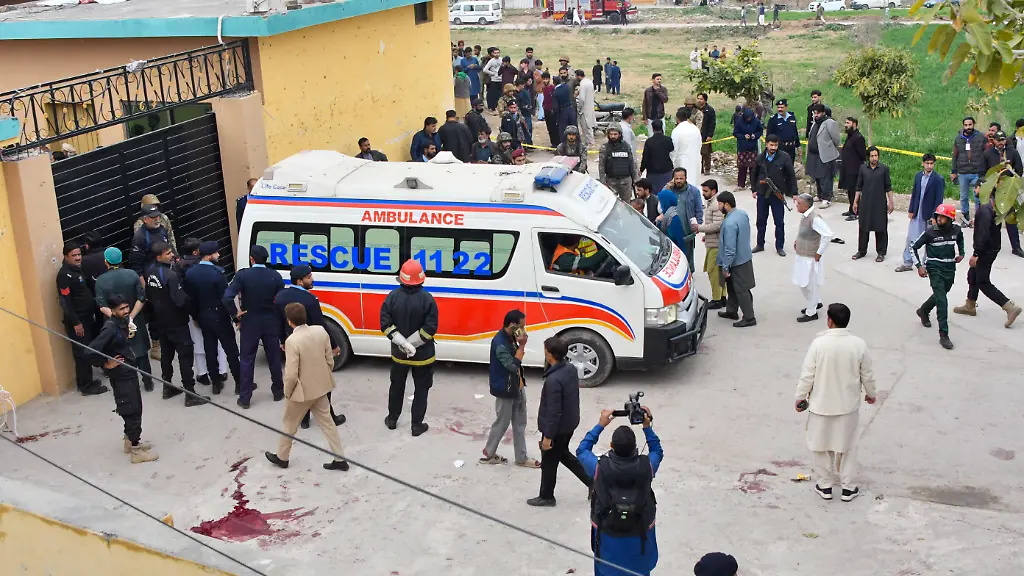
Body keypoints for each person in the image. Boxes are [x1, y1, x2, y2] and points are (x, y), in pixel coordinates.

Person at [795, 303, 876, 502]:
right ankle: (848, 488)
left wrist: (800, 397)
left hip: (821, 406)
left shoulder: (819, 344)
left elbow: (807, 375)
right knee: (847, 447)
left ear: (829, 321)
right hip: (847, 407)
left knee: (820, 446)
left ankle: (825, 486)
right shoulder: (858, 344)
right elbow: (867, 374)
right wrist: (871, 394)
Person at [576, 407, 662, 576]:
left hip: (608, 531)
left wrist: (600, 425)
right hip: (640, 531)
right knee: (639, 568)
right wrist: (647, 426)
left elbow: (582, 450)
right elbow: (657, 451)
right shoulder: (647, 466)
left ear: (612, 446)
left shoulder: (600, 467)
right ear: (634, 447)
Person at [264, 302, 350, 472]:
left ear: (289, 321)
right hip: (321, 387)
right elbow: (329, 359)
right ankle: (340, 458)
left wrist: (288, 392)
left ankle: (282, 457)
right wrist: (325, 376)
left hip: (302, 392)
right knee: (328, 423)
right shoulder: (320, 331)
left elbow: (291, 374)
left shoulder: (292, 341)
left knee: (289, 424)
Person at [88, 294, 158, 464]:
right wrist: (106, 364)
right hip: (121, 375)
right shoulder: (110, 328)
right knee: (131, 408)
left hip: (128, 369)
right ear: (112, 311)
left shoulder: (122, 322)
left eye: (127, 307)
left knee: (133, 406)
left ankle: (130, 441)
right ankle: (136, 450)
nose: (126, 311)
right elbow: (89, 351)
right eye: (122, 309)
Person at [274, 264, 346, 429]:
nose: (312, 279)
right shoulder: (310, 300)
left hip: (292, 343)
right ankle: (330, 416)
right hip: (312, 347)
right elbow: (321, 326)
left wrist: (283, 341)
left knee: (301, 380)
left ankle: (304, 419)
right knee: (322, 381)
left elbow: (277, 322)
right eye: (309, 277)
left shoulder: (280, 297)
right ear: (300, 281)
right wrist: (334, 346)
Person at [528, 336, 590, 507]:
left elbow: (554, 411)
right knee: (563, 454)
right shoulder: (569, 368)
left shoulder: (553, 380)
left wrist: (547, 436)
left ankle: (547, 496)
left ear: (551, 355)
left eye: (546, 352)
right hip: (569, 423)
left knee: (548, 462)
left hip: (557, 428)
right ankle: (593, 483)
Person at [144, 241, 208, 406]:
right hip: (176, 322)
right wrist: (193, 311)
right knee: (185, 356)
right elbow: (180, 301)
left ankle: (167, 386)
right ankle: (190, 393)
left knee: (167, 354)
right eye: (168, 253)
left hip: (161, 320)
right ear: (159, 256)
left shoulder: (150, 271)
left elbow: (149, 295)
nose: (172, 255)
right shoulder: (170, 276)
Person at [381, 260, 438, 437]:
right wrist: (411, 345)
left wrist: (403, 344)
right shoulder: (427, 299)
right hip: (423, 356)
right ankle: (416, 425)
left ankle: (392, 419)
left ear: (402, 279)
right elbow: (430, 328)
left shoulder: (392, 297)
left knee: (396, 386)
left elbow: (385, 324)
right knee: (421, 389)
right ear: (421, 279)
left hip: (399, 355)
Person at [223, 245, 285, 408]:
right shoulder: (275, 276)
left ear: (252, 259)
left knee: (247, 360)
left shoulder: (243, 275)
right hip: (270, 321)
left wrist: (236, 314)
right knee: (274, 357)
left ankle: (245, 398)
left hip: (250, 321)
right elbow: (280, 300)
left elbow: (227, 298)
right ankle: (278, 391)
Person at [480, 309, 540, 468]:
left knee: (520, 423)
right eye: (522, 326)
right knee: (502, 423)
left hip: (517, 386)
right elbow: (513, 366)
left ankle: (521, 458)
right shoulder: (500, 343)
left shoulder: (511, 337)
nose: (523, 330)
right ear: (513, 325)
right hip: (505, 390)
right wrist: (521, 346)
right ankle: (489, 452)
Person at [953, 193, 1022, 327]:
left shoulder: (985, 209)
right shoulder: (994, 207)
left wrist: (976, 253)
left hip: (984, 251)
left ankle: (1009, 307)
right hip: (992, 248)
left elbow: (983, 234)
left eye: (977, 187)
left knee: (983, 281)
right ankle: (970, 305)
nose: (976, 190)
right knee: (972, 274)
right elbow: (988, 226)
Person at [183, 241, 241, 395]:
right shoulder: (217, 273)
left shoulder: (190, 273)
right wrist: (235, 317)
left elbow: (191, 299)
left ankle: (215, 383)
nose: (219, 255)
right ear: (209, 256)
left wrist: (195, 316)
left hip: (203, 315)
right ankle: (239, 383)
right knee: (231, 350)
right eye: (216, 253)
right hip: (219, 315)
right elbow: (226, 298)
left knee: (210, 349)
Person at [94, 247, 154, 392]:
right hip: (135, 319)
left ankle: (128, 384)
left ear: (106, 262)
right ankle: (148, 381)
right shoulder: (132, 275)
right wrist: (130, 317)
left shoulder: (101, 281)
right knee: (140, 350)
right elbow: (141, 298)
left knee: (119, 352)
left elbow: (102, 306)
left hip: (114, 323)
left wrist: (118, 317)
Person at [912, 204, 966, 350]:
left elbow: (960, 239)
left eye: (943, 217)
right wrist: (919, 266)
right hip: (934, 268)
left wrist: (961, 253)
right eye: (938, 216)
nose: (939, 219)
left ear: (950, 219)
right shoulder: (930, 233)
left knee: (941, 293)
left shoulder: (956, 230)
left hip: (950, 268)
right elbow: (913, 247)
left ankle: (923, 310)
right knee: (942, 301)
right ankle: (944, 334)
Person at [176, 237, 227, 387]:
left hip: (193, 312)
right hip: (211, 310)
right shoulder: (207, 267)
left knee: (198, 343)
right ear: (196, 251)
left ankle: (202, 373)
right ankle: (222, 370)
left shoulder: (179, 267)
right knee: (217, 342)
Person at [58, 241, 107, 396]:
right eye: (74, 255)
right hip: (78, 321)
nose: (78, 258)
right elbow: (65, 302)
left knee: (89, 348)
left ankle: (89, 380)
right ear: (66, 257)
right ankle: (85, 386)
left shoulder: (78, 270)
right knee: (82, 353)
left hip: (87, 318)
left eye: (79, 254)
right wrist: (76, 323)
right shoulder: (64, 275)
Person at [975, 130, 1024, 256]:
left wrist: (1011, 181)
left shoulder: (1012, 152)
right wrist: (987, 183)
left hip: (1008, 192)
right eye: (998, 140)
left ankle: (1016, 247)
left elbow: (1019, 170)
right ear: (994, 141)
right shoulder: (987, 154)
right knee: (994, 219)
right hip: (993, 191)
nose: (1001, 142)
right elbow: (981, 173)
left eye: (1003, 140)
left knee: (1010, 218)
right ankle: (993, 244)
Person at [896, 154, 945, 273]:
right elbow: (915, 194)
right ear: (923, 163)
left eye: (931, 163)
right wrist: (911, 210)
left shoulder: (938, 179)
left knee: (930, 241)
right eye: (927, 163)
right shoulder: (918, 176)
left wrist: (935, 216)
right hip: (917, 213)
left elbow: (939, 200)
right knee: (911, 238)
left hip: (929, 215)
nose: (929, 166)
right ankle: (908, 262)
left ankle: (926, 265)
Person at [752, 135, 797, 257]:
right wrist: (754, 189)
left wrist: (794, 193)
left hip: (777, 195)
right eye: (771, 145)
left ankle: (779, 246)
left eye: (775, 145)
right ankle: (760, 244)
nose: (773, 148)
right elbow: (754, 174)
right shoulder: (760, 158)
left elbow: (791, 175)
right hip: (762, 193)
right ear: (766, 144)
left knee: (779, 222)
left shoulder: (784, 157)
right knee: (761, 220)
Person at [792, 194, 834, 322]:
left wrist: (819, 252)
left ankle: (811, 312)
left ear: (806, 205)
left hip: (809, 258)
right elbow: (804, 232)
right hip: (802, 254)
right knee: (802, 282)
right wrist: (797, 241)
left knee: (809, 285)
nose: (796, 206)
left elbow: (828, 235)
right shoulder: (805, 216)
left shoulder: (814, 218)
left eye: (799, 204)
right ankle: (815, 302)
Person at [717, 191, 757, 328]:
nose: (718, 206)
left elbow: (730, 248)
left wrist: (725, 266)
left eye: (720, 203)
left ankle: (749, 317)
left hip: (735, 261)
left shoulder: (729, 223)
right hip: (744, 256)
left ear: (727, 205)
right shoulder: (742, 214)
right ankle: (731, 310)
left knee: (741, 290)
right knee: (733, 288)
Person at [853, 147, 895, 262]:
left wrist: (891, 202)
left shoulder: (884, 169)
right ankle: (861, 250)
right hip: (866, 203)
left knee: (880, 227)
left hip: (879, 203)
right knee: (863, 227)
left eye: (876, 155)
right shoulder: (863, 169)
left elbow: (888, 187)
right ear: (868, 157)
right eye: (872, 156)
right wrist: (855, 201)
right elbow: (858, 186)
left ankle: (881, 252)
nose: (874, 158)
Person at [950, 116, 988, 227]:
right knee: (963, 197)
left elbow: (986, 154)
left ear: (974, 124)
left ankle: (979, 219)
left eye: (970, 125)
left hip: (977, 172)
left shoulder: (981, 137)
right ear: (963, 126)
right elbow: (954, 156)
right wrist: (954, 171)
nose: (968, 127)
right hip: (962, 172)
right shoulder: (958, 139)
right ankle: (965, 219)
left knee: (978, 196)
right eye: (966, 125)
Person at [664, 168, 704, 272]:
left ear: (686, 178)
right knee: (673, 258)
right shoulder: (668, 189)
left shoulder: (693, 191)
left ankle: (689, 275)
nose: (679, 181)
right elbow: (660, 206)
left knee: (687, 257)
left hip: (687, 231)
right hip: (671, 231)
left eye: (681, 178)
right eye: (676, 178)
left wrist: (698, 225)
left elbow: (699, 209)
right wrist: (667, 189)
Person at [698, 180, 728, 310]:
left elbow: (717, 225)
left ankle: (717, 299)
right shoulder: (712, 203)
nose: (703, 193)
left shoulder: (715, 205)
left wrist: (700, 228)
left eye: (706, 191)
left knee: (713, 273)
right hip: (714, 241)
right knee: (718, 273)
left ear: (713, 191)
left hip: (715, 246)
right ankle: (722, 297)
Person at [805, 103, 841, 207]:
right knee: (816, 175)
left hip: (825, 155)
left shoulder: (829, 122)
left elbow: (836, 139)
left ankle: (827, 198)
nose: (815, 115)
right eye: (814, 113)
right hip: (814, 155)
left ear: (823, 113)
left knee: (826, 176)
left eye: (818, 113)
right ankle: (819, 194)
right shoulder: (814, 123)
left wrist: (830, 148)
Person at [599, 126, 638, 202]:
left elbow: (632, 164)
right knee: (610, 204)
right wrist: (603, 182)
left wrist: (635, 180)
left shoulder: (626, 146)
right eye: (611, 134)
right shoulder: (605, 148)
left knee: (627, 204)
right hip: (611, 182)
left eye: (615, 134)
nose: (613, 136)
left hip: (625, 181)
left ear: (620, 134)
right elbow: (601, 166)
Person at [839, 117, 867, 221]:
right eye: (845, 122)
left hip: (855, 170)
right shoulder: (850, 136)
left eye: (848, 123)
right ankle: (851, 209)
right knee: (849, 191)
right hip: (847, 169)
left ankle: (856, 212)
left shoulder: (858, 137)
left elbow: (862, 155)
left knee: (855, 191)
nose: (845, 125)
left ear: (854, 124)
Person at [671, 107, 702, 189]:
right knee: (694, 184)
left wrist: (671, 162)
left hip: (682, 161)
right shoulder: (695, 129)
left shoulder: (677, 130)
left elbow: (674, 148)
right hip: (695, 160)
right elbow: (700, 144)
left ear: (677, 119)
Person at [639, 119, 674, 194]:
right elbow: (672, 151)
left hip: (653, 172)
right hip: (666, 170)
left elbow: (645, 158)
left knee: (654, 193)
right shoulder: (668, 140)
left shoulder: (649, 141)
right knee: (667, 191)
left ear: (652, 128)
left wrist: (641, 169)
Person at [733, 107, 763, 190]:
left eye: (750, 118)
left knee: (753, 168)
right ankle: (741, 185)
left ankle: (754, 185)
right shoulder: (739, 121)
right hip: (742, 147)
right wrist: (743, 136)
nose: (749, 119)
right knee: (742, 167)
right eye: (747, 118)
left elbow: (760, 131)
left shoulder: (756, 121)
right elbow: (735, 133)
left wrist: (755, 135)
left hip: (752, 148)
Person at [766, 99, 800, 165]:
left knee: (790, 168)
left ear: (786, 107)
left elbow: (795, 132)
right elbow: (769, 136)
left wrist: (798, 146)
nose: (780, 109)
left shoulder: (791, 117)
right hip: (780, 147)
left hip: (791, 148)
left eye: (782, 107)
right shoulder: (773, 119)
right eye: (778, 107)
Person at [656, 189, 687, 254]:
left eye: (659, 201)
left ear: (665, 201)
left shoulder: (673, 218)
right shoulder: (665, 215)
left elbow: (679, 241)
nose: (658, 203)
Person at [575, 69, 597, 149]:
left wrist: (579, 108)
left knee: (586, 127)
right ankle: (590, 142)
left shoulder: (583, 84)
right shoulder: (589, 81)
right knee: (589, 126)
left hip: (584, 109)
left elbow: (582, 99)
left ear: (578, 75)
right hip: (590, 107)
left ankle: (590, 144)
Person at [696, 93, 716, 175]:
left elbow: (712, 124)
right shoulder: (695, 109)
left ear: (705, 100)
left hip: (705, 134)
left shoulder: (710, 110)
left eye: (701, 99)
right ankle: (699, 168)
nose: (699, 100)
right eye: (698, 98)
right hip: (696, 134)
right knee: (697, 152)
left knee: (706, 152)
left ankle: (707, 168)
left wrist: (710, 135)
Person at [483, 47, 504, 112]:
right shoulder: (491, 61)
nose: (496, 54)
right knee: (493, 95)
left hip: (501, 80)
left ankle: (500, 108)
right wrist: (492, 73)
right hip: (494, 80)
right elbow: (485, 70)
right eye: (495, 53)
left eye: (498, 53)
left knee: (501, 95)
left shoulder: (501, 60)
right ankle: (493, 108)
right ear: (493, 54)